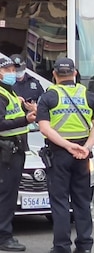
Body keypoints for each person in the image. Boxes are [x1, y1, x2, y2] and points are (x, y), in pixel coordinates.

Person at [37, 57, 94, 253]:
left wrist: (67, 146)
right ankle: (84, 246)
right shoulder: (88, 95)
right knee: (82, 201)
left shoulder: (49, 96)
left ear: (54, 75)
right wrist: (87, 147)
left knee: (59, 202)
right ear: (75, 73)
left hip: (59, 154)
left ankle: (62, 247)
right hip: (83, 155)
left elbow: (44, 128)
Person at [0, 56, 36, 252]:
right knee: (6, 195)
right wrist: (26, 119)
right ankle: (4, 237)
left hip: (14, 150)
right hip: (6, 151)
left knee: (8, 194)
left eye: (14, 69)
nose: (13, 73)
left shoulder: (9, 92)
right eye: (9, 69)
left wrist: (24, 107)